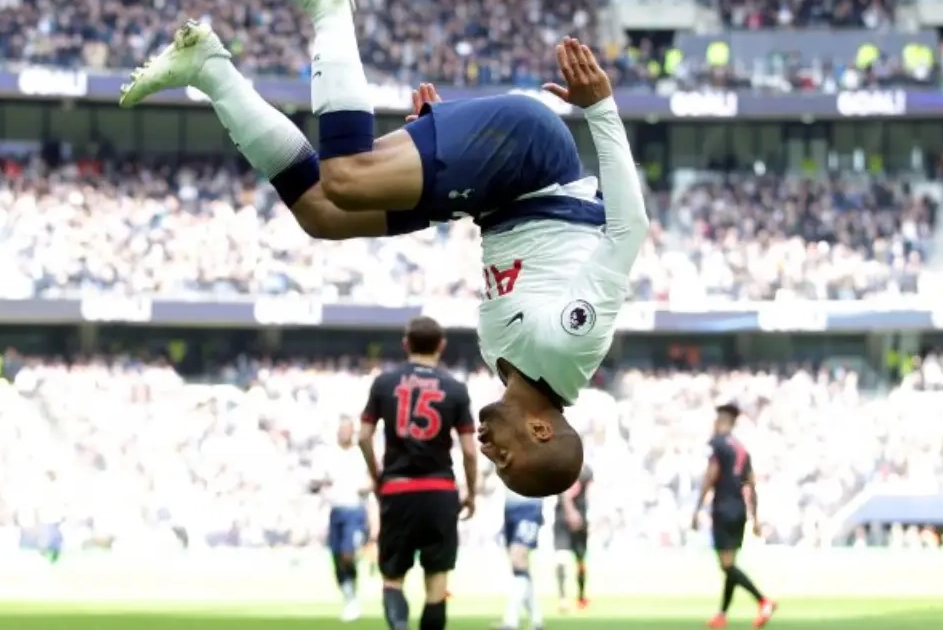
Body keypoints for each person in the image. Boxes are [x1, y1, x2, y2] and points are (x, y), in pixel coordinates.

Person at [119, 7, 649, 498]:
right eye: (507, 460)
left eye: (494, 465)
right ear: (541, 430)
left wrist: (443, 160)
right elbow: (628, 229)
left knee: (322, 213)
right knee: (349, 177)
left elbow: (527, 250)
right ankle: (331, 10)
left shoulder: (505, 365)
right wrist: (600, 107)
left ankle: (208, 68)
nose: (490, 454)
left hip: (492, 194)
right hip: (530, 157)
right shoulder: (569, 345)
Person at [358, 316, 478, 630]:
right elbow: (469, 451)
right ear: (442, 346)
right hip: (440, 490)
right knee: (437, 580)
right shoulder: (456, 388)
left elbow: (363, 437)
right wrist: (472, 493)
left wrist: (377, 476)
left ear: (405, 344)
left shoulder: (384, 383)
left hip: (398, 489)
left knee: (393, 577)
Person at [691, 403, 778, 629]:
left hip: (723, 508)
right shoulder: (741, 449)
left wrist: (697, 508)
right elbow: (751, 484)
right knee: (730, 564)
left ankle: (763, 601)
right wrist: (755, 518)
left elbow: (711, 475)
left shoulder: (717, 444)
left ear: (721, 421)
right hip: (739, 510)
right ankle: (722, 615)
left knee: (727, 566)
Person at [312, 419, 373, 622]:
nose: (344, 433)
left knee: (348, 554)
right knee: (337, 557)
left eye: (347, 430)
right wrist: (319, 483)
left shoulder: (360, 454)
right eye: (341, 430)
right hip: (335, 510)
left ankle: (353, 593)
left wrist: (368, 487)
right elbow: (315, 482)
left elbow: (374, 477)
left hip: (355, 510)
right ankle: (349, 597)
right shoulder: (329, 454)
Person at [496, 487, 545, 630]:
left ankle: (511, 620)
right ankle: (536, 618)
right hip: (510, 506)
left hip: (530, 506)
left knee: (518, 559)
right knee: (519, 566)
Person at [553, 463, 592, 612]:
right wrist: (572, 513)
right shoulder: (564, 469)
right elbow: (566, 493)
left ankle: (578, 596)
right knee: (565, 559)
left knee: (579, 560)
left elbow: (589, 494)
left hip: (577, 520)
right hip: (566, 520)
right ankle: (570, 598)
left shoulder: (584, 470)